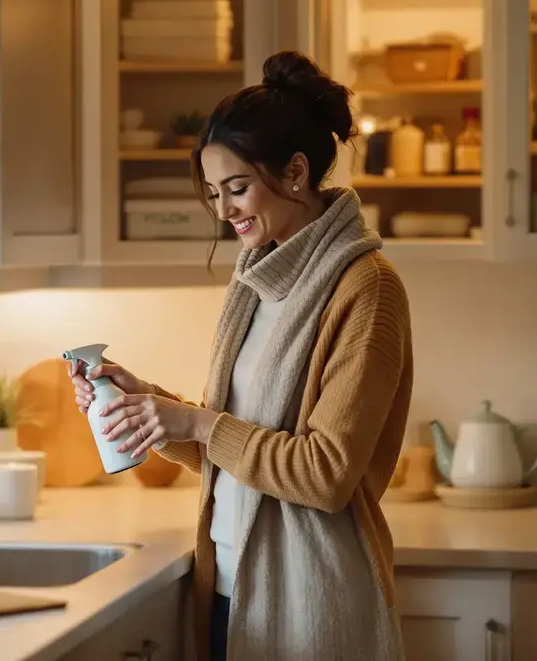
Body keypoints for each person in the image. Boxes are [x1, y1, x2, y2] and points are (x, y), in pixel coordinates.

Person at [67, 50, 412, 661]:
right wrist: (148, 407)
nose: (224, 211)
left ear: (297, 171)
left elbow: (325, 475)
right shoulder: (257, 277)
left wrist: (196, 422)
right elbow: (237, 452)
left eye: (237, 188)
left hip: (311, 600)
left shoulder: (366, 286)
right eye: (213, 192)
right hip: (227, 583)